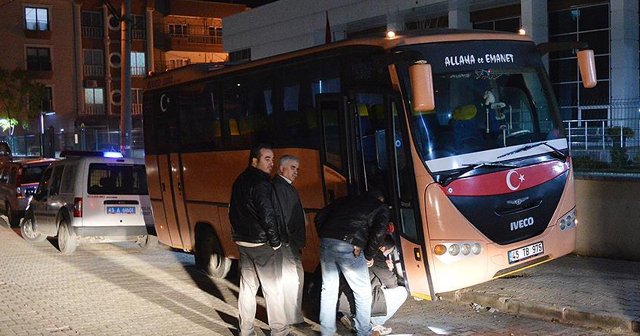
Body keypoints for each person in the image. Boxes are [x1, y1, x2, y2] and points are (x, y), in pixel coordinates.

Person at [229, 144, 290, 336]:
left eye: (273, 159)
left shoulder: (239, 180)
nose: (272, 163)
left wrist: (238, 235)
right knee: (273, 290)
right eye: (267, 159)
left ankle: (246, 330)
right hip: (262, 244)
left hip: (244, 243)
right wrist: (275, 241)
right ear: (254, 161)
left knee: (248, 288)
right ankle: (279, 331)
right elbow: (268, 215)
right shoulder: (261, 183)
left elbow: (231, 211)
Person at [314, 190, 390, 336]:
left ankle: (327, 331)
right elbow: (378, 233)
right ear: (380, 199)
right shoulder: (380, 207)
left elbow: (319, 216)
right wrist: (368, 255)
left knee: (328, 289)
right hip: (348, 246)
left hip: (327, 242)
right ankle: (363, 331)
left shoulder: (345, 199)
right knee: (362, 292)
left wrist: (326, 236)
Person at [338, 235, 408, 336]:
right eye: (388, 253)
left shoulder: (355, 249)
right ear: (383, 248)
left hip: (341, 300)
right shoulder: (375, 255)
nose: (387, 256)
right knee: (402, 292)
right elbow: (392, 283)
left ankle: (356, 321)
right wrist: (390, 268)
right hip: (353, 302)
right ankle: (373, 324)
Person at [272, 154, 308, 327]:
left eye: (297, 169)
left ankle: (293, 316)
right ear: (282, 168)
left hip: (289, 241)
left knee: (293, 277)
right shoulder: (281, 187)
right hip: (288, 242)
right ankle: (292, 317)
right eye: (293, 168)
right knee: (293, 277)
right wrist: (290, 239)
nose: (296, 172)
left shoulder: (284, 186)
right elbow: (284, 216)